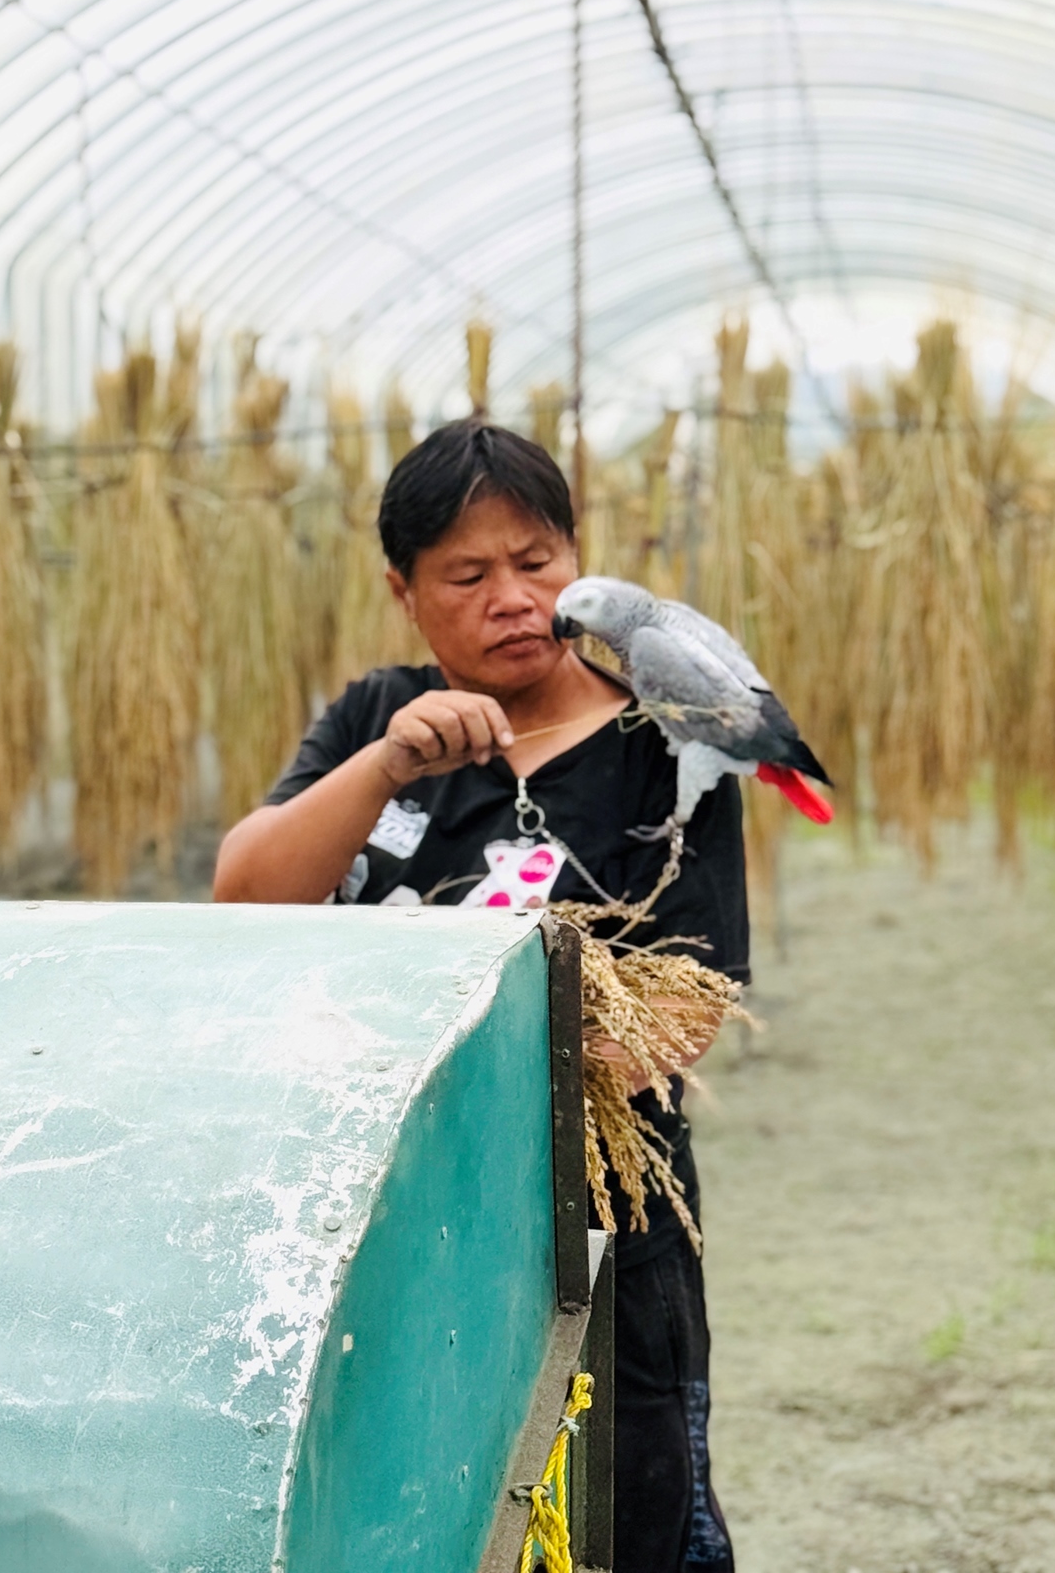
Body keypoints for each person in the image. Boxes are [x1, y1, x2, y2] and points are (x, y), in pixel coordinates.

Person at [215, 420, 743, 1573]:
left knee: (620, 1521)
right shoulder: (377, 716)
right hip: (390, 1222)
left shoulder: (663, 748)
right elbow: (246, 895)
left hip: (597, 1231)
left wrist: (486, 1065)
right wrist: (388, 765)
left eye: (537, 560)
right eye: (467, 574)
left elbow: (686, 1009)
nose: (512, 596)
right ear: (403, 591)